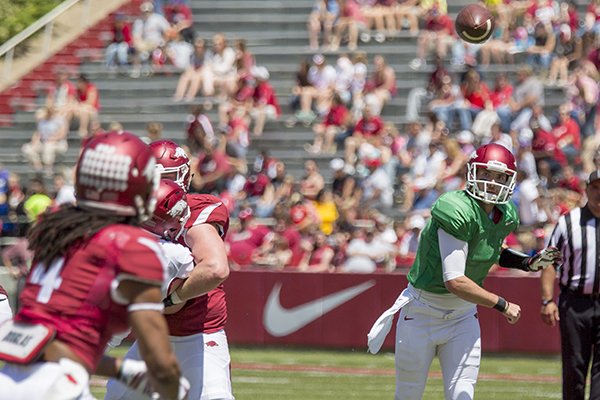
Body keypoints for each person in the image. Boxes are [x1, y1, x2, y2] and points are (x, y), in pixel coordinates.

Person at [0, 132, 189, 400]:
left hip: (11, 379)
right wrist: (169, 384)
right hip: (58, 388)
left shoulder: (56, 229)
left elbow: (47, 345)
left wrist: (121, 370)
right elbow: (160, 362)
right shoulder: (134, 246)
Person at [367, 143, 562, 400]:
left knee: (462, 394)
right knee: (408, 394)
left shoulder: (504, 214)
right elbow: (455, 280)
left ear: (510, 180)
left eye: (499, 177)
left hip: (462, 316)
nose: (492, 182)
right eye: (486, 174)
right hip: (422, 312)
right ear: (472, 173)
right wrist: (502, 304)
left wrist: (528, 263)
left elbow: (491, 248)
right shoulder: (455, 208)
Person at [150, 139, 234, 399]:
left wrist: (173, 297)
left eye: (164, 177)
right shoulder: (132, 215)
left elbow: (215, 268)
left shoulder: (197, 211)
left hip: (199, 336)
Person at [540, 169, 600, 400]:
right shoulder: (568, 222)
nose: (599, 192)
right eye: (595, 187)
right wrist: (547, 300)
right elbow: (549, 263)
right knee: (575, 365)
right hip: (575, 303)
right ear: (586, 190)